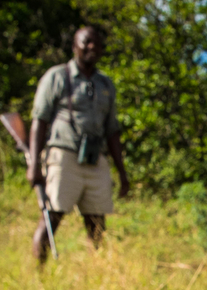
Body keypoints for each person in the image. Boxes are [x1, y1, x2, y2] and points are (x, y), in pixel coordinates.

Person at [26, 25, 131, 259]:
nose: (91, 47)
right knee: (52, 215)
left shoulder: (106, 84)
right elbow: (39, 121)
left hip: (95, 158)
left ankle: (95, 274)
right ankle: (38, 277)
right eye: (86, 42)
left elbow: (112, 130)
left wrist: (122, 173)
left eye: (97, 43)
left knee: (97, 221)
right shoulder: (57, 76)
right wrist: (34, 164)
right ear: (75, 47)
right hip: (64, 154)